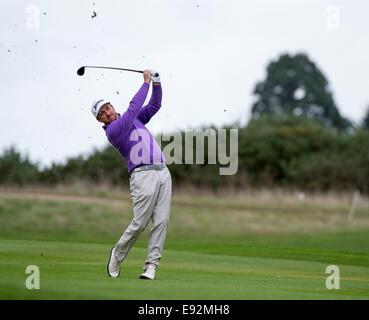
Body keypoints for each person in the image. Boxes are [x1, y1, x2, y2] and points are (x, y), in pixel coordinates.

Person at [91, 69, 171, 280]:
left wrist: (156, 83)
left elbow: (154, 105)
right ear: (101, 120)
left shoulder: (135, 120)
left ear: (111, 105)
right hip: (142, 176)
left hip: (163, 171)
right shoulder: (114, 130)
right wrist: (145, 82)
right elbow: (133, 108)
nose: (107, 113)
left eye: (107, 108)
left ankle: (151, 266)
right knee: (140, 223)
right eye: (102, 114)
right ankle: (117, 254)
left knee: (161, 221)